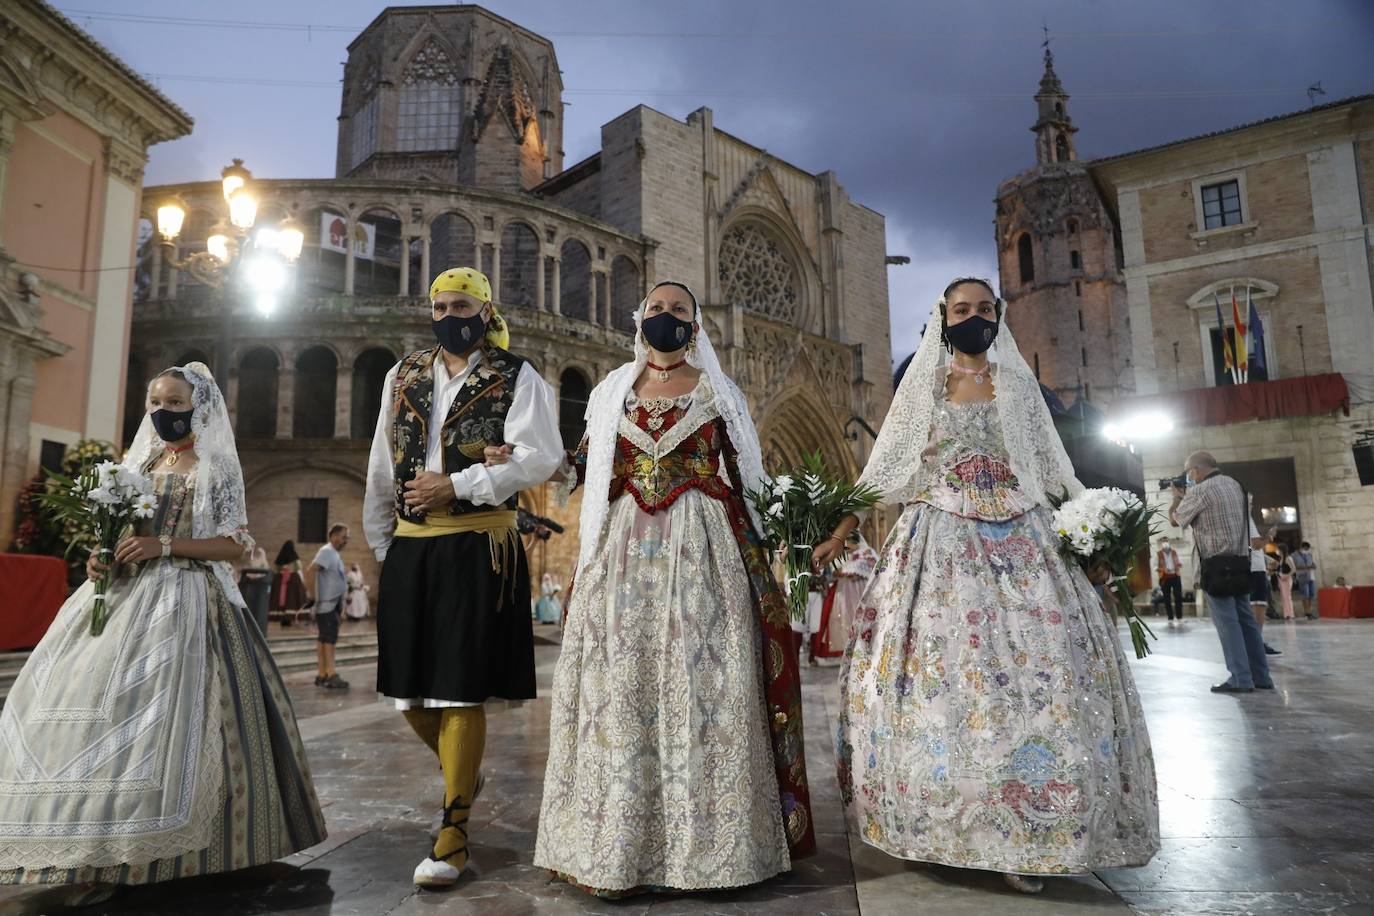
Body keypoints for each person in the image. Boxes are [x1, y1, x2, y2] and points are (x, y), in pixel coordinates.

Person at [815, 278, 1158, 894]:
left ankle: (1035, 828)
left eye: (984, 309)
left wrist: (1097, 538)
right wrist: (840, 532)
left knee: (1048, 677)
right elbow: (884, 472)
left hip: (1027, 547)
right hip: (939, 547)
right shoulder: (923, 390)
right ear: (942, 319)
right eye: (961, 310)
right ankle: (942, 823)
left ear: (999, 318)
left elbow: (1055, 473)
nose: (973, 318)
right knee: (943, 683)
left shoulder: (1021, 391)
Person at [0, 362, 325, 903]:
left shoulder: (214, 466)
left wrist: (166, 547)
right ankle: (92, 849)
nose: (162, 411)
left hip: (191, 600)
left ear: (198, 407)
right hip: (126, 599)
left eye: (175, 403)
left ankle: (218, 851)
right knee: (90, 722)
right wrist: (102, 558)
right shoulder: (142, 463)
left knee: (197, 726)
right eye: (155, 401)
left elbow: (235, 545)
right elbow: (127, 533)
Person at [532, 280, 815, 896]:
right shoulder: (611, 392)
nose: (666, 318)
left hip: (704, 551)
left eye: (678, 310)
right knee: (623, 685)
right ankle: (616, 850)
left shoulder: (719, 392)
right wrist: (531, 460)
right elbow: (584, 465)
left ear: (695, 324)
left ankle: (712, 850)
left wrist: (800, 526)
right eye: (656, 309)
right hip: (622, 555)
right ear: (641, 321)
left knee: (704, 681)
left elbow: (751, 480)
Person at [363, 266, 561, 889]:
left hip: (477, 545)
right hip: (411, 547)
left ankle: (453, 831)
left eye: (462, 305)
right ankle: (462, 772)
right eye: (441, 305)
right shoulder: (403, 375)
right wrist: (381, 545)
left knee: (456, 688)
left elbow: (542, 456)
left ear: (484, 310)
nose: (451, 315)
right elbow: (380, 462)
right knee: (405, 692)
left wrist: (462, 483)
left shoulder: (516, 375)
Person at [1170, 451, 1274, 693]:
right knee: (1246, 620)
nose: (1188, 477)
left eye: (1189, 472)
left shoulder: (1200, 491)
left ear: (1196, 470)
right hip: (1240, 562)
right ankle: (1262, 676)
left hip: (1216, 566)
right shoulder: (1237, 485)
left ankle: (1241, 679)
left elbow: (1177, 520)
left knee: (1228, 623)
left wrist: (1176, 497)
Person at [811, 533, 878, 664]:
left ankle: (864, 650)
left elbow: (868, 569)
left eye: (848, 542)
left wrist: (848, 572)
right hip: (844, 591)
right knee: (844, 619)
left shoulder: (866, 552)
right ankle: (847, 652)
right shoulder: (846, 555)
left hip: (860, 590)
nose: (846, 546)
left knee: (860, 617)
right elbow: (837, 572)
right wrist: (843, 572)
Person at [305, 524, 351, 689]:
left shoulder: (333, 554)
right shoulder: (327, 551)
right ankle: (331, 674)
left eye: (347, 538)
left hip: (330, 605)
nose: (346, 541)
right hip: (326, 605)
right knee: (329, 639)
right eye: (344, 537)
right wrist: (312, 595)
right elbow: (310, 571)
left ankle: (322, 673)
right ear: (333, 535)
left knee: (324, 639)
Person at [237, 545, 272, 633]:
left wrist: (257, 576)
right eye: (257, 553)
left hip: (261, 587)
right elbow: (247, 570)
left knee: (260, 610)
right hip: (250, 586)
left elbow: (265, 572)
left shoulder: (264, 562)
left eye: (260, 553)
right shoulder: (252, 560)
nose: (258, 554)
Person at [271, 540, 306, 626]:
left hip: (280, 581)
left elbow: (275, 569)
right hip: (293, 581)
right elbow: (299, 568)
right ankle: (291, 618)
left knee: (282, 600)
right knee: (292, 600)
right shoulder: (294, 557)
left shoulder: (280, 557)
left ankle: (283, 619)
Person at [1156, 536, 1184, 626]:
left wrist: (1178, 565)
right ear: (1161, 543)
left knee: (1178, 596)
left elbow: (1181, 561)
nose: (1165, 543)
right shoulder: (1158, 554)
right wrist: (1162, 569)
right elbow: (1154, 566)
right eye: (1163, 541)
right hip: (1164, 577)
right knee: (1166, 598)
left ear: (1169, 542)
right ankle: (1170, 617)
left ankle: (1179, 617)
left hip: (1175, 576)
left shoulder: (1175, 552)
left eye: (1166, 541)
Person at [1293, 541, 1317, 619]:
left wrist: (1313, 566)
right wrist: (1306, 567)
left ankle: (1309, 611)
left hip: (1310, 576)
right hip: (1302, 576)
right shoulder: (1295, 555)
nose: (1306, 550)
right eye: (1305, 549)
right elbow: (1294, 566)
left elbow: (1312, 564)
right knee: (1305, 595)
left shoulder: (1309, 555)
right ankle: (1306, 612)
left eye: (1308, 549)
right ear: (1302, 548)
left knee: (1311, 594)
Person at [1275, 545, 1296, 621]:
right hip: (1281, 579)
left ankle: (1290, 614)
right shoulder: (1281, 559)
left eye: (1278, 550)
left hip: (1286, 579)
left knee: (1287, 597)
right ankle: (1286, 614)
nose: (1277, 551)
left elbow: (1293, 569)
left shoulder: (1288, 558)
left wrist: (1286, 575)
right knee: (1284, 597)